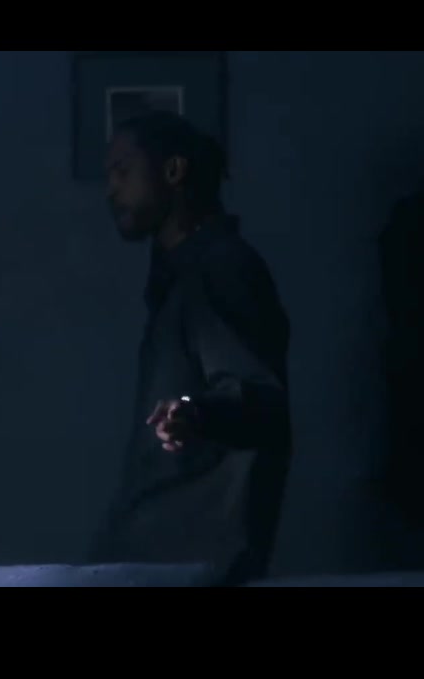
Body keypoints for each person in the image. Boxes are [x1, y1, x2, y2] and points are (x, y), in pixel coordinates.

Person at [89, 111, 292, 583]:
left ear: (173, 171)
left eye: (123, 171)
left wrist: (196, 413)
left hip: (192, 558)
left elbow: (260, 398)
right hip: (158, 553)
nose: (110, 190)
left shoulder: (220, 269)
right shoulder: (181, 277)